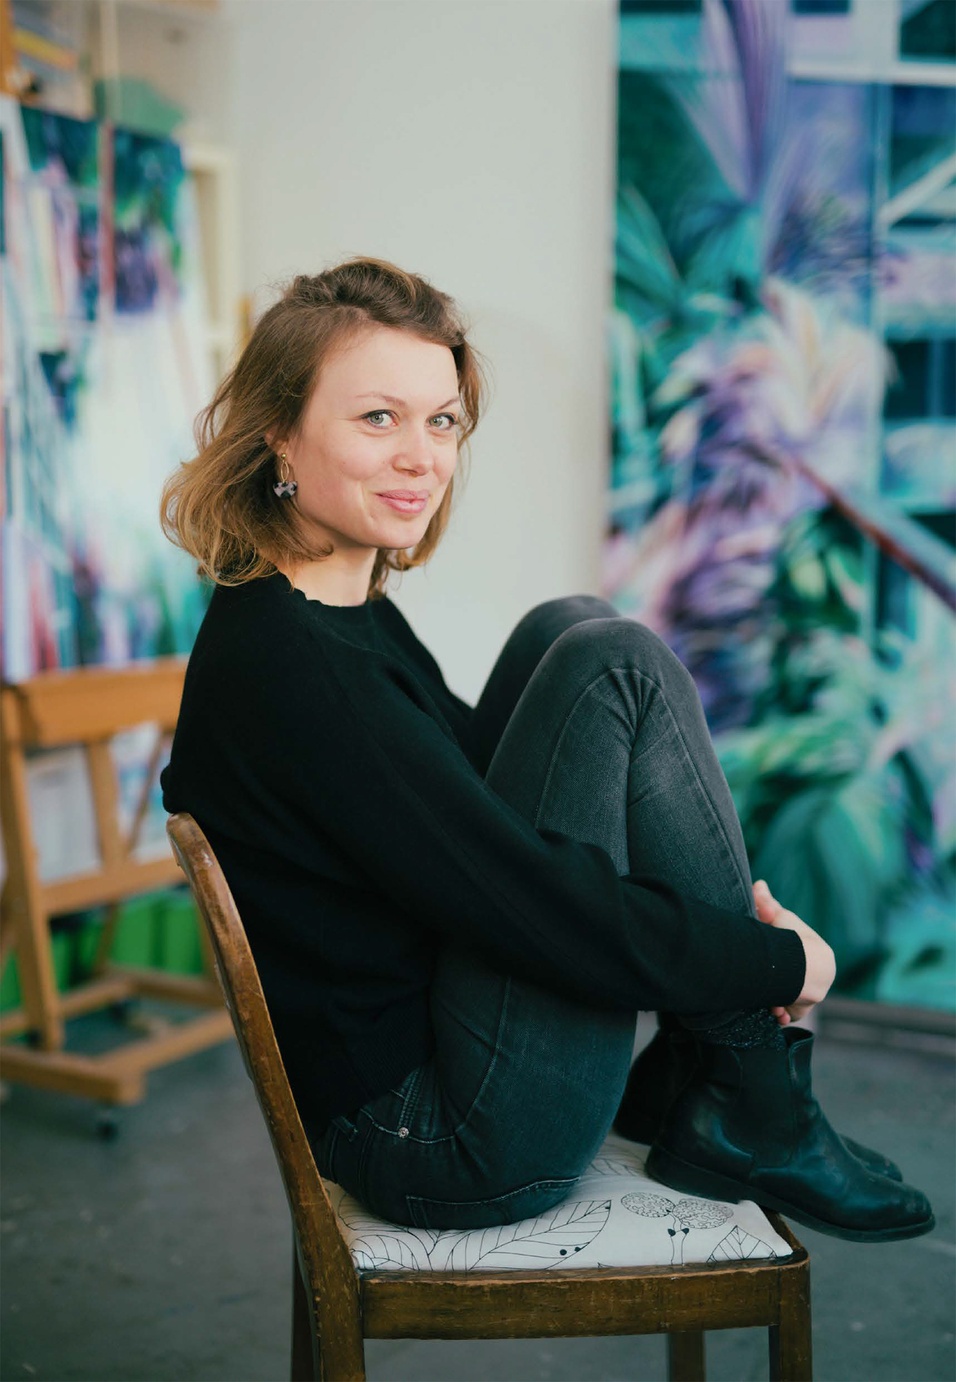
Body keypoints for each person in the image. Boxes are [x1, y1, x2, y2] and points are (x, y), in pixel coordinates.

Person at [161, 257, 933, 1242]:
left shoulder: (323, 608)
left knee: (569, 624)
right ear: (279, 429)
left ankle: (721, 1080)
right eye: (378, 419)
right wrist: (770, 962)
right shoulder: (300, 670)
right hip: (446, 1139)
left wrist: (730, 956)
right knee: (615, 663)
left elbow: (475, 819)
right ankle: (747, 1092)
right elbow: (527, 897)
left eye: (441, 421)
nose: (421, 457)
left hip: (438, 1046)